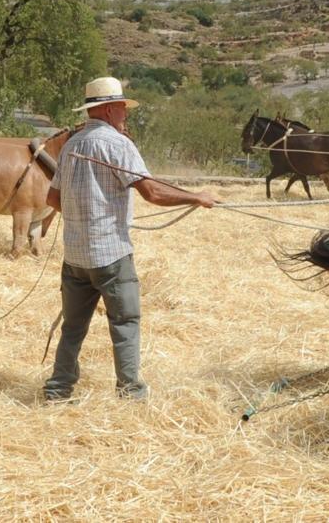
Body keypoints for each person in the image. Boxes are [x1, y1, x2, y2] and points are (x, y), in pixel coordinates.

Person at [43, 76, 217, 403]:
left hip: (76, 258)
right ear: (108, 110)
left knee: (72, 329)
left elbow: (52, 199)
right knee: (125, 324)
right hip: (111, 255)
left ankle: (57, 391)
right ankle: (131, 395)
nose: (126, 114)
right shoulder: (118, 145)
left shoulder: (71, 145)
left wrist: (84, 210)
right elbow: (152, 192)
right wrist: (195, 197)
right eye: (122, 108)